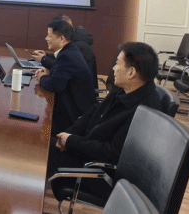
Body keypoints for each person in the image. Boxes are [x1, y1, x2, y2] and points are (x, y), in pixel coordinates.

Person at [47, 42, 162, 201]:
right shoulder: (124, 88)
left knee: (39, 152)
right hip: (85, 150)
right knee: (42, 143)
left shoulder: (144, 111)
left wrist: (72, 141)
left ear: (131, 72)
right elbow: (95, 110)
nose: (113, 68)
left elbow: (111, 153)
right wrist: (68, 135)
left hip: (97, 171)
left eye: (117, 64)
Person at [34, 19, 96, 135]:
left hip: (75, 116)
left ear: (62, 38)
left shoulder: (67, 55)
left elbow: (55, 85)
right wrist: (49, 74)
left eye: (49, 35)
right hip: (77, 108)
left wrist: (42, 77)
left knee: (39, 128)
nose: (46, 38)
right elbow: (61, 75)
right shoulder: (70, 50)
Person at [32, 14, 98, 87]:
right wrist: (46, 57)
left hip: (80, 90)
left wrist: (42, 75)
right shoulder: (71, 44)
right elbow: (62, 64)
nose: (46, 38)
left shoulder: (78, 46)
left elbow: (56, 82)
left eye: (50, 35)